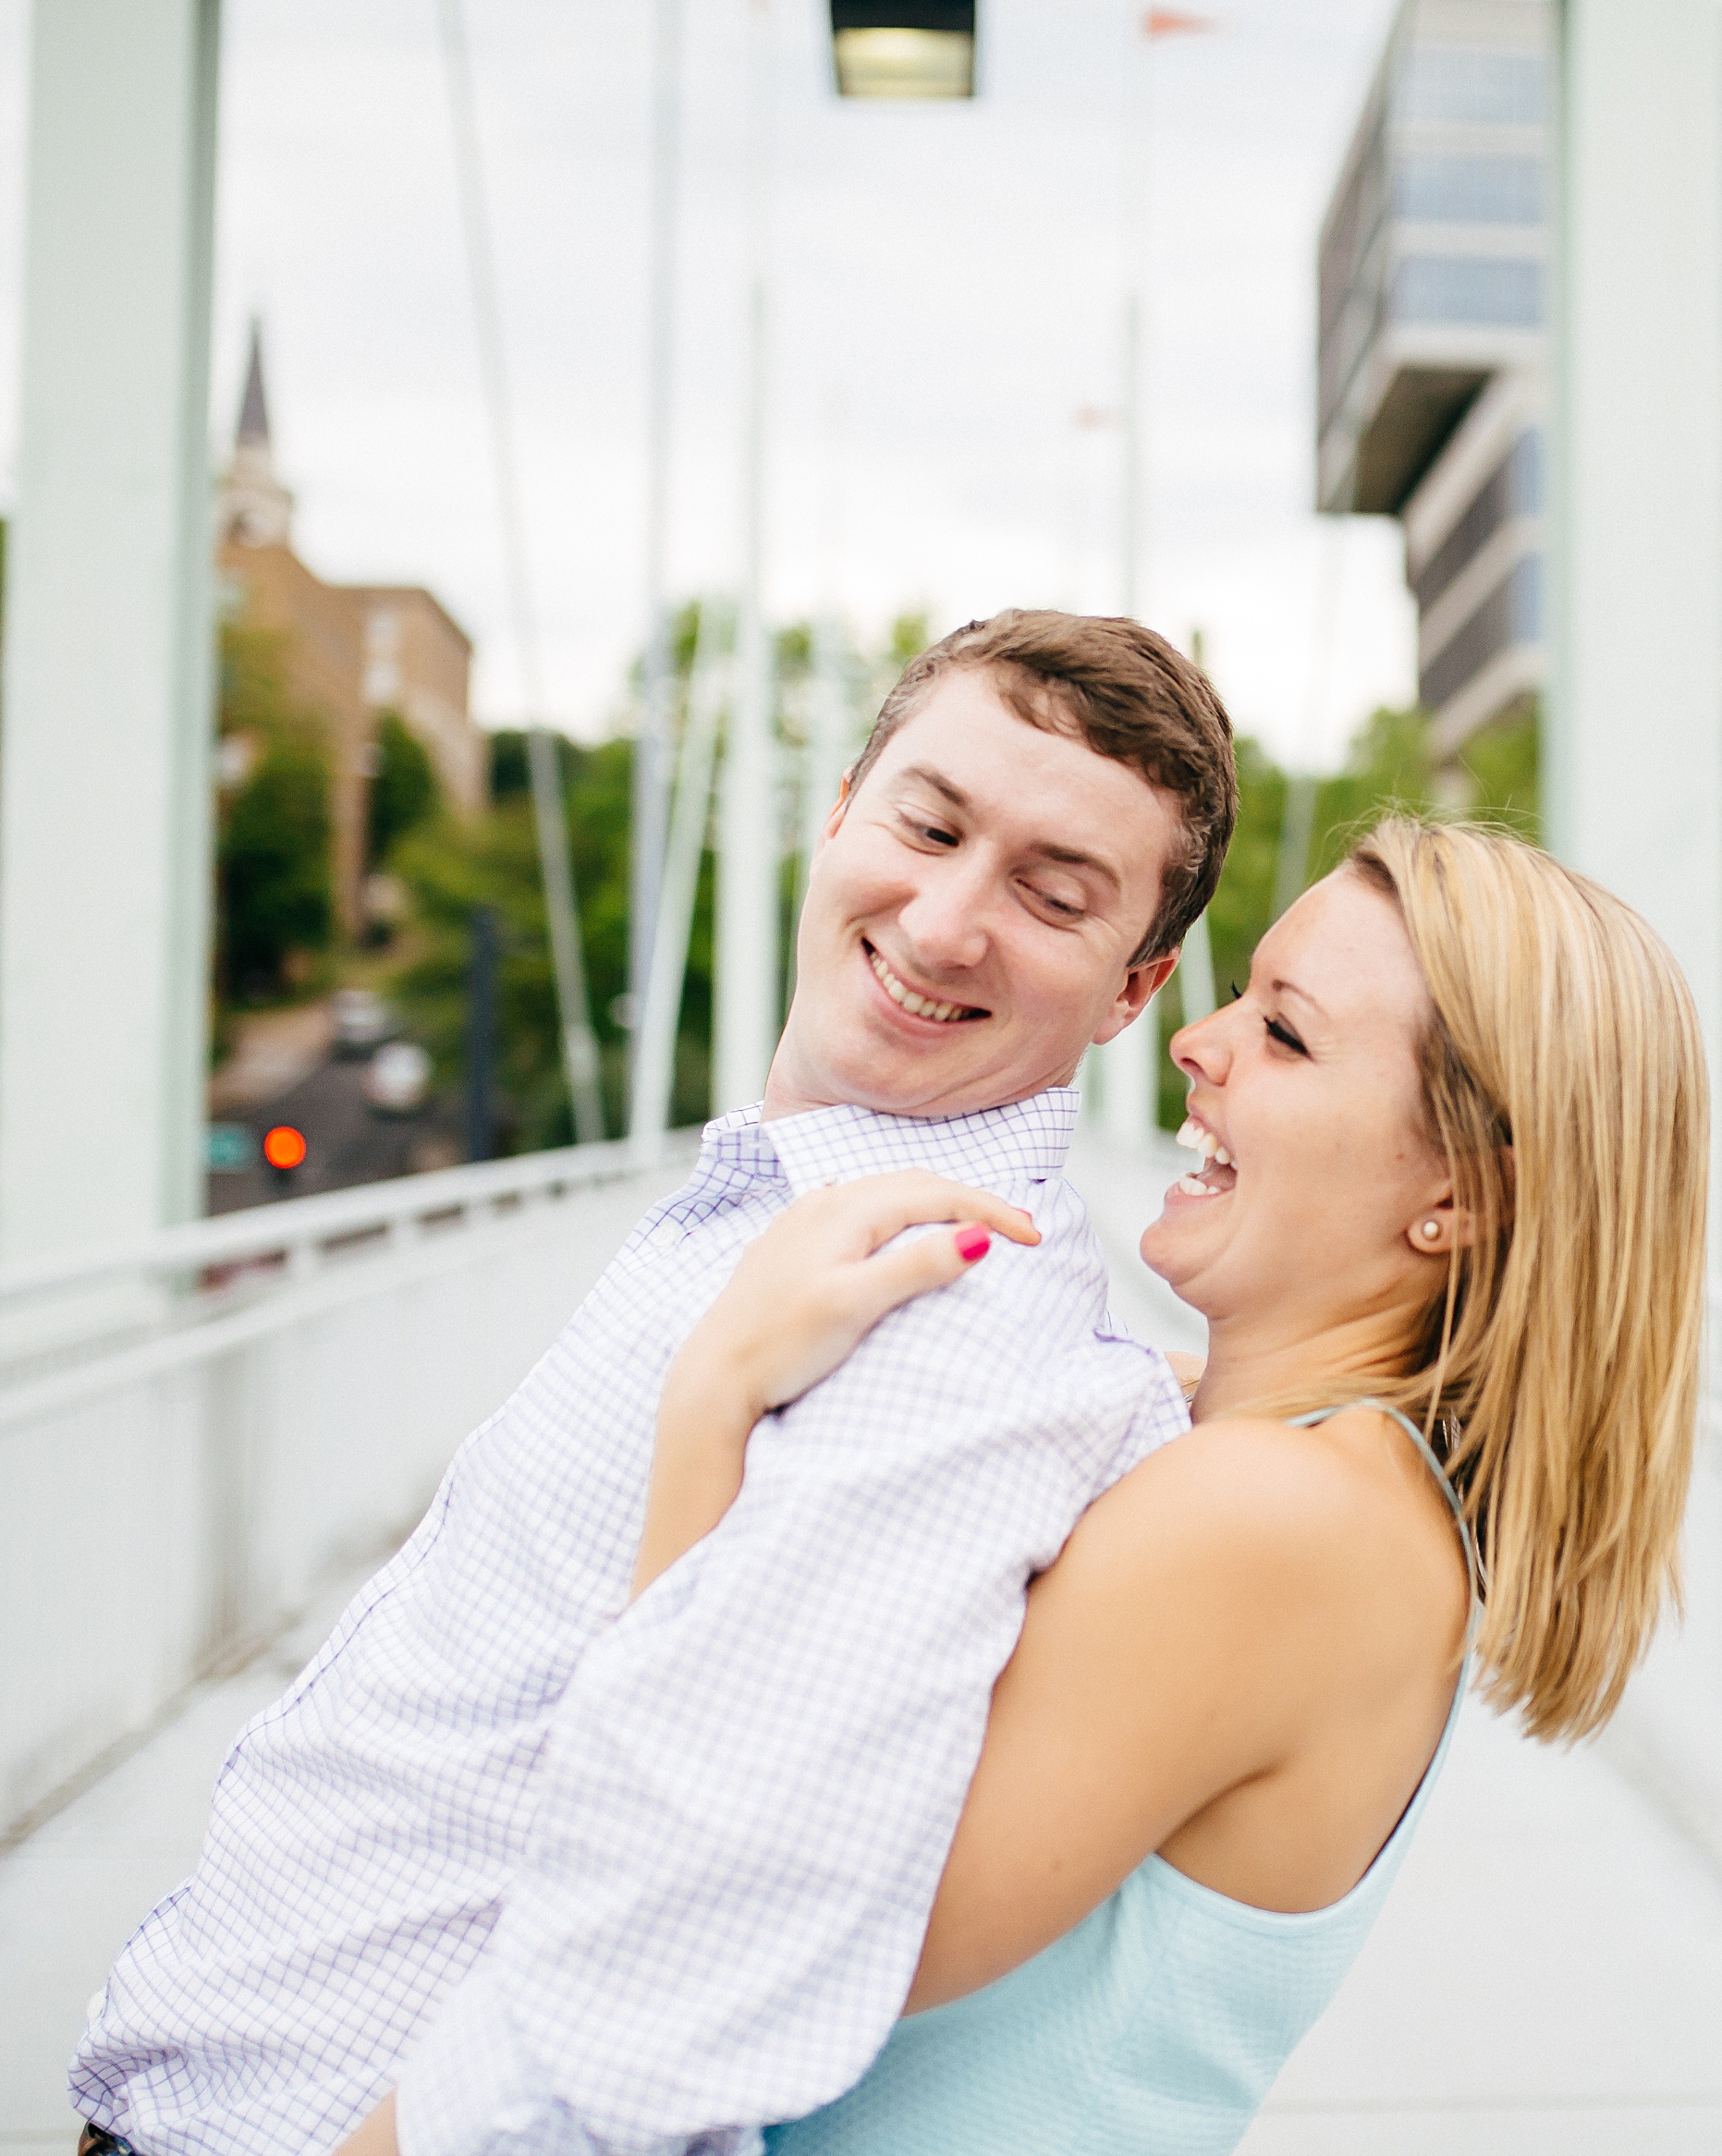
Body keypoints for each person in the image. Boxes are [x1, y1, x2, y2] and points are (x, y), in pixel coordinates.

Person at [69, 610, 1238, 2156]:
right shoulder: (788, 1220)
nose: (948, 921)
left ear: (1133, 990)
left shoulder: (943, 1325)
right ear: (841, 815)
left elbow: (677, 1947)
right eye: (930, 823)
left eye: (1052, 892)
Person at [368, 819, 1707, 2152]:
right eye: (1240, 989)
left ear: (1462, 1193)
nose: (1199, 1038)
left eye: (1286, 1034)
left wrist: (715, 1400)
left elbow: (715, 1946)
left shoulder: (1277, 1516)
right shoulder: (1306, 1473)